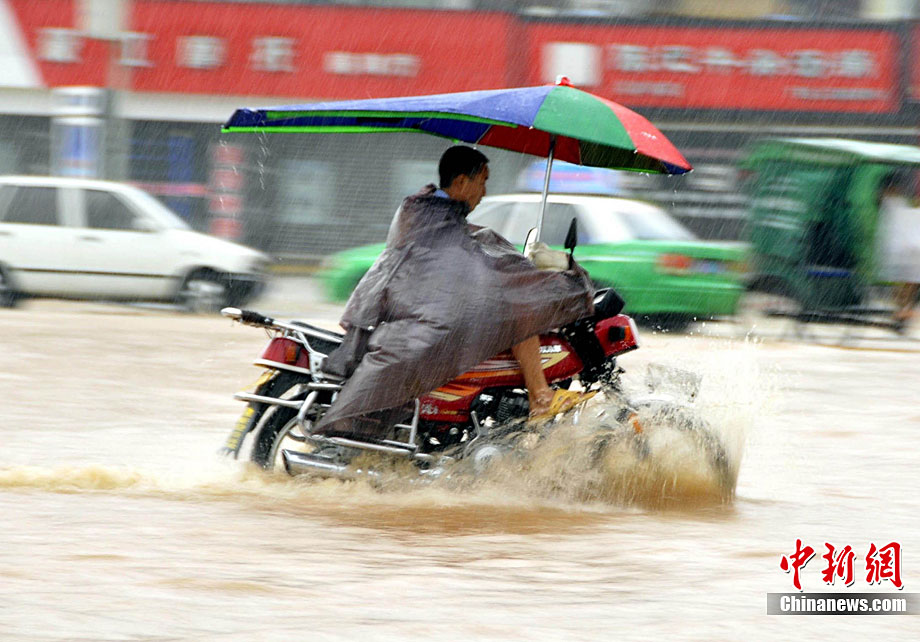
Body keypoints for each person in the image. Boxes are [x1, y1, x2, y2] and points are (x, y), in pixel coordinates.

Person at [315, 145, 596, 440]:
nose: (484, 192)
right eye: (482, 182)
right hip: (423, 320)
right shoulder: (433, 216)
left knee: (515, 300)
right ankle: (540, 395)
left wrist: (515, 265)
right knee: (520, 306)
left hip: (419, 307)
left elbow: (463, 257)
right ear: (462, 182)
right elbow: (462, 264)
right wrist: (521, 277)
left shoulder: (431, 211)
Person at [876, 174, 920, 331]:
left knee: (909, 279)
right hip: (905, 240)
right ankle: (901, 312)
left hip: (907, 239)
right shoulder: (896, 203)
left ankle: (902, 312)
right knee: (906, 278)